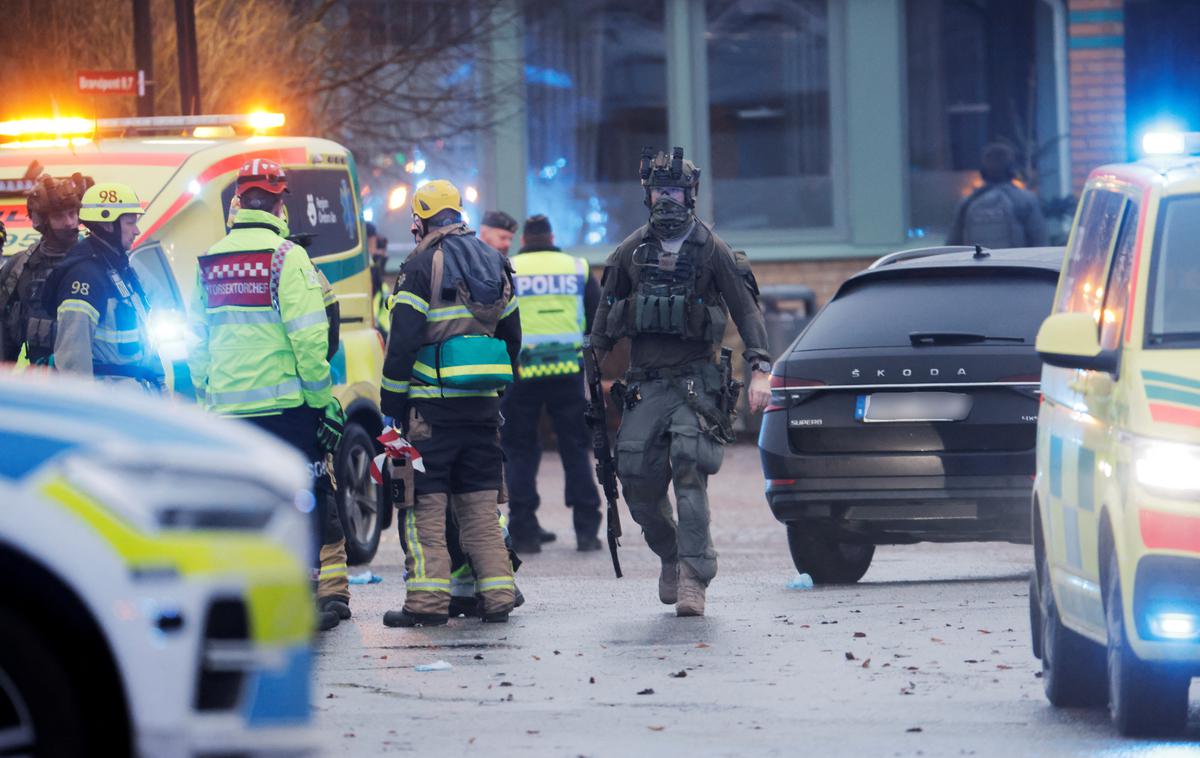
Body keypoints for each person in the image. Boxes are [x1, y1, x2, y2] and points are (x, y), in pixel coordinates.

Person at [589, 147, 772, 617]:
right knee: (637, 483)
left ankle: (694, 575)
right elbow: (605, 321)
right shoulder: (631, 251)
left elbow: (747, 311)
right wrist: (589, 369)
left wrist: (760, 369)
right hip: (645, 383)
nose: (665, 200)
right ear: (646, 196)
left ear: (690, 195)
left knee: (689, 471)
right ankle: (670, 554)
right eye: (658, 192)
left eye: (674, 191)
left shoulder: (713, 250)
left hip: (696, 381)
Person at [187, 159, 350, 632]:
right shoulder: (287, 257)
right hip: (286, 411)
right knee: (306, 499)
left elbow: (197, 342)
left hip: (228, 412)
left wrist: (207, 394)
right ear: (280, 204)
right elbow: (307, 340)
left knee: (243, 506)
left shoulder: (211, 260)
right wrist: (323, 403)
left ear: (237, 203)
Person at [380, 179, 521, 627]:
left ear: (419, 221)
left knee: (424, 512)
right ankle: (498, 597)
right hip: (481, 410)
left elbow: (402, 342)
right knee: (481, 510)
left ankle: (426, 604)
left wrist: (392, 403)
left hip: (429, 414)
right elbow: (512, 338)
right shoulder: (495, 261)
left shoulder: (420, 264)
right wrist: (495, 391)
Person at [501, 213, 604, 554]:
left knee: (520, 450)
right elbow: (596, 316)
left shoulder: (509, 267)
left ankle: (525, 530)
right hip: (567, 369)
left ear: (524, 240)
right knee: (574, 448)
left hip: (522, 371)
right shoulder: (576, 267)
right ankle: (587, 529)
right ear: (552, 236)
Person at [44, 182, 164, 390]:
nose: (136, 230)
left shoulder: (119, 268)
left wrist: (160, 387)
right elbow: (73, 362)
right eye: (130, 223)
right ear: (108, 224)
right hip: (110, 404)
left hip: (136, 397)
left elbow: (144, 340)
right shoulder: (84, 278)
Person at [0, 173, 92, 365]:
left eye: (72, 213)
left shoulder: (98, 262)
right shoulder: (18, 268)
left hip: (92, 382)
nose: (69, 222)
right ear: (40, 221)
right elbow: (4, 337)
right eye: (59, 216)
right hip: (42, 384)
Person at [946, 142, 1048, 249]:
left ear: (983, 171)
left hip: (977, 265)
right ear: (1011, 169)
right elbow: (1040, 243)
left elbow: (952, 245)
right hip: (1013, 264)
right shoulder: (1025, 200)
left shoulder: (968, 203)